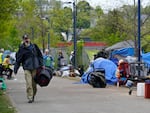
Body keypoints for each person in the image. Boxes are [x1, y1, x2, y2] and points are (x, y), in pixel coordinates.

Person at [14, 34, 43, 103]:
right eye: (25, 39)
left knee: (34, 84)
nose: (26, 40)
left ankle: (33, 95)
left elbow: (40, 56)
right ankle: (30, 97)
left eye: (27, 38)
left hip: (35, 68)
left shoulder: (34, 47)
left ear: (29, 39)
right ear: (23, 40)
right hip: (27, 68)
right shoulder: (22, 49)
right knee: (29, 84)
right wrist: (16, 69)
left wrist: (41, 65)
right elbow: (18, 59)